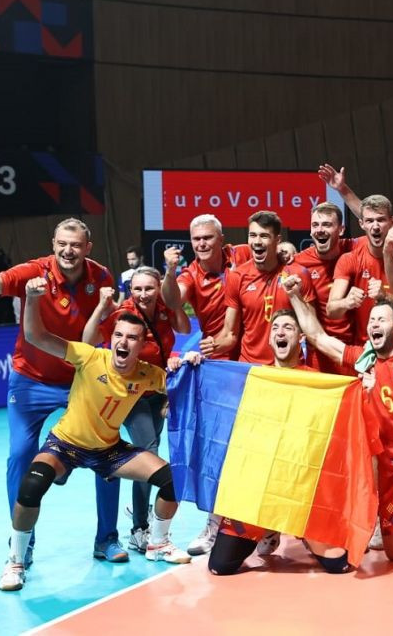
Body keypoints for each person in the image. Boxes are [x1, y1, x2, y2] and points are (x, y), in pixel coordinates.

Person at [0, 278, 194, 591]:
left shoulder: (147, 373)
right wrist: (32, 299)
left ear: (141, 345)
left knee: (172, 480)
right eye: (118, 335)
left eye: (132, 337)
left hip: (108, 451)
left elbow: (178, 383)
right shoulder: (88, 357)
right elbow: (35, 336)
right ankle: (15, 562)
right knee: (31, 486)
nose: (123, 342)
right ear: (111, 338)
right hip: (65, 446)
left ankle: (158, 543)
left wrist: (187, 363)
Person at [0, 219, 127, 565]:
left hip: (80, 380)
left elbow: (103, 331)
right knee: (20, 455)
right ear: (53, 243)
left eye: (75, 245)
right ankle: (23, 542)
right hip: (31, 380)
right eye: (62, 243)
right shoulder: (34, 272)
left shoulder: (101, 277)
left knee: (109, 452)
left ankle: (107, 537)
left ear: (87, 248)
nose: (68, 250)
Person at [284, 257, 393, 587]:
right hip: (388, 466)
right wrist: (294, 296)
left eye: (381, 319)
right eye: (371, 320)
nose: (373, 324)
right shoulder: (363, 361)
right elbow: (318, 337)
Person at [207, 309, 352, 575]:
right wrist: (190, 364)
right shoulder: (256, 379)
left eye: (288, 327)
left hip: (302, 492)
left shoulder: (318, 383)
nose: (280, 332)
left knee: (339, 565)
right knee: (220, 566)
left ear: (301, 338)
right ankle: (268, 528)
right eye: (275, 328)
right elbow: (213, 397)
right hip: (259, 491)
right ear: (270, 340)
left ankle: (299, 530)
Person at [82, 264, 190, 552]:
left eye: (149, 288)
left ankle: (140, 511)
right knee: (148, 454)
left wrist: (173, 301)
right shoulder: (123, 314)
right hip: (131, 393)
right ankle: (140, 528)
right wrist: (101, 307)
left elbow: (184, 328)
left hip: (157, 392)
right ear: (130, 290)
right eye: (137, 288)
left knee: (150, 449)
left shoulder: (164, 310)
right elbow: (88, 340)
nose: (143, 294)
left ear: (159, 288)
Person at [160, 214, 248, 554]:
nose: (201, 244)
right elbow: (172, 300)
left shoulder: (241, 254)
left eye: (208, 237)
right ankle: (214, 523)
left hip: (255, 359)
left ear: (221, 238)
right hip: (220, 371)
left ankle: (267, 526)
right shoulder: (190, 274)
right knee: (220, 449)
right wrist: (169, 271)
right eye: (196, 239)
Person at [212, 211, 315, 364]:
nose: (257, 241)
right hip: (250, 368)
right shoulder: (237, 276)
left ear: (277, 240)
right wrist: (210, 346)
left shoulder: (298, 274)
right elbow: (229, 334)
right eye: (252, 235)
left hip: (288, 368)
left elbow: (312, 329)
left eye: (264, 236)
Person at [327, 195, 393, 344]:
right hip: (366, 347)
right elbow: (331, 310)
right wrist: (347, 302)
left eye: (381, 220)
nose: (375, 226)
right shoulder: (349, 259)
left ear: (392, 222)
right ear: (361, 224)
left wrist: (385, 296)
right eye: (369, 221)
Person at [292, 202, 359, 372]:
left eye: (327, 224)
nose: (320, 230)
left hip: (354, 349)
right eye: (315, 225)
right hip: (319, 352)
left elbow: (381, 229)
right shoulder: (298, 263)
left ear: (341, 230)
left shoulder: (355, 248)